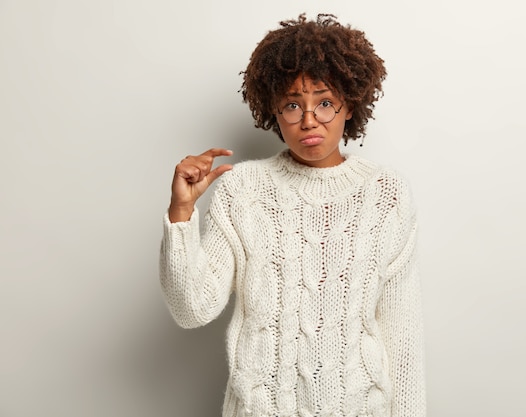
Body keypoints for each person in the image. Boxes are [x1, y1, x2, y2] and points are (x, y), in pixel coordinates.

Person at [160, 13, 426, 417]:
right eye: (291, 105)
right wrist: (182, 212)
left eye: (324, 102)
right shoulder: (243, 190)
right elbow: (191, 308)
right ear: (273, 110)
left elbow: (401, 337)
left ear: (349, 105)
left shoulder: (385, 194)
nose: (308, 121)